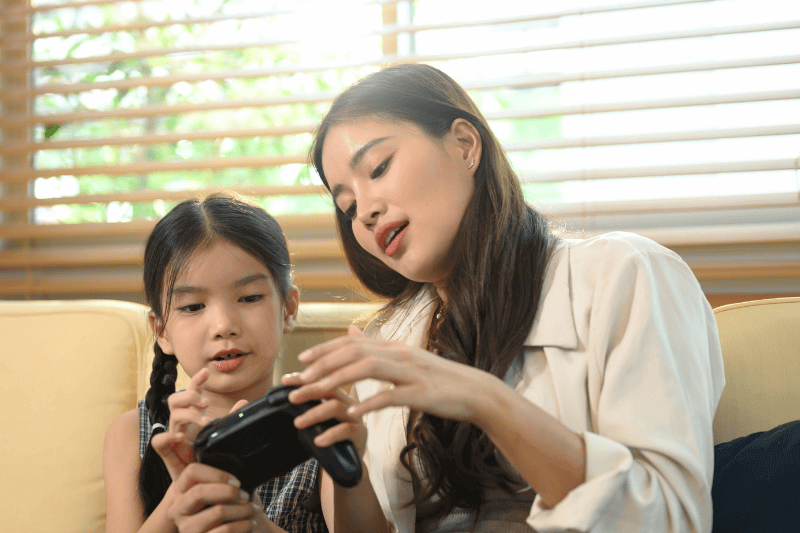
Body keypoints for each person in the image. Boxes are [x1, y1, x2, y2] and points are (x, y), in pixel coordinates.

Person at [282, 64, 726, 533]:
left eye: (379, 168)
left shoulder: (625, 274)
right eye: (347, 206)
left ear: (465, 144)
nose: (366, 211)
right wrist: (345, 473)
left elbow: (669, 518)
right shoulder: (386, 341)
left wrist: (482, 397)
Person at [103, 193, 327, 533]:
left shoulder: (317, 421)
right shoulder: (133, 432)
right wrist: (181, 493)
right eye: (193, 306)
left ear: (288, 309)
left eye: (249, 297)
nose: (224, 326)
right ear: (161, 331)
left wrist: (255, 525)